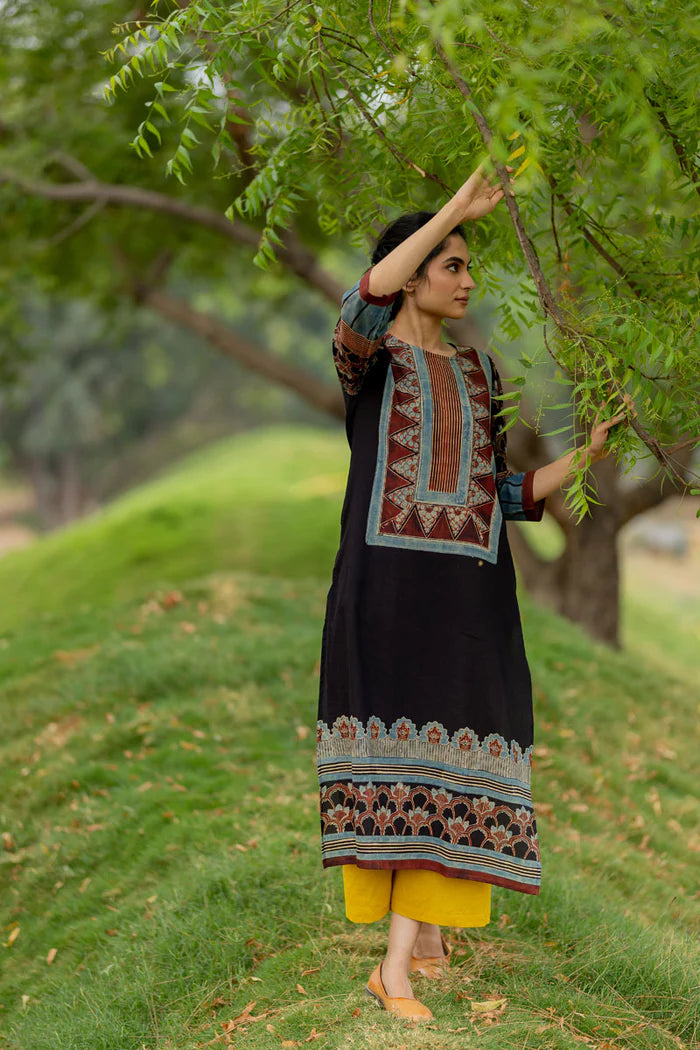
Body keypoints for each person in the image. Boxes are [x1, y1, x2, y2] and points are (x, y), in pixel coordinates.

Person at [316, 163, 632, 1022]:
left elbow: (501, 495)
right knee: (396, 759)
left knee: (457, 760)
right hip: (385, 596)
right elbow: (363, 297)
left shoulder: (482, 374)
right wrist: (460, 204)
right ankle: (395, 969)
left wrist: (587, 456)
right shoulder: (368, 359)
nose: (466, 280)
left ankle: (418, 939)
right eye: (452, 265)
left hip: (468, 604)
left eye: (468, 266)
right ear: (412, 275)